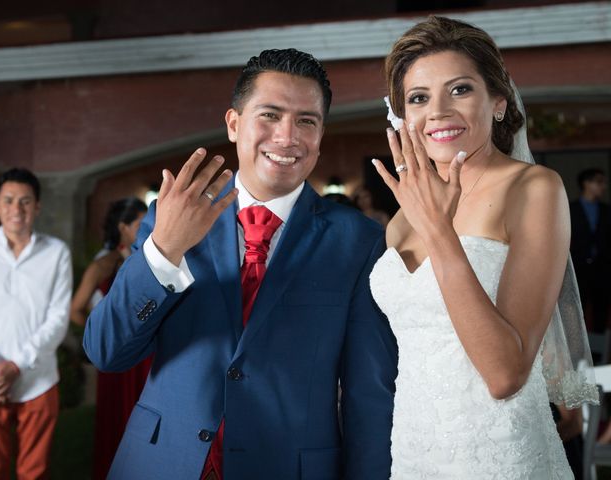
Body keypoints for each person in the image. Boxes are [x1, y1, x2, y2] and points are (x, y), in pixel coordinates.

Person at [83, 48, 398, 479]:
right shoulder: (168, 218)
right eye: (269, 115)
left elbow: (368, 395)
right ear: (234, 124)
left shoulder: (358, 241)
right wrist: (163, 252)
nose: (287, 136)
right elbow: (107, 351)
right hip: (161, 462)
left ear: (321, 134)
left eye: (307, 121)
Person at [370, 16, 596, 478]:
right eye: (418, 98)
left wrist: (439, 231)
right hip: (415, 451)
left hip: (500, 453)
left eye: (459, 90)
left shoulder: (533, 189)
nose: (437, 112)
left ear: (497, 102)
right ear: (402, 117)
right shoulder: (400, 216)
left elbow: (505, 374)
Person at [0, 167, 72, 479]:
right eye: (10, 200)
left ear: (37, 207)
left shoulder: (57, 253)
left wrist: (16, 365)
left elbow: (58, 318)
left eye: (26, 201)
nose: (17, 209)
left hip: (38, 379)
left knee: (35, 473)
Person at [70, 197, 148, 480]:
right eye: (140, 223)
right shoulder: (105, 264)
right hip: (118, 360)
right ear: (124, 228)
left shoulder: (151, 257)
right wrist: (99, 335)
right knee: (119, 419)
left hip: (148, 358)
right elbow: (76, 309)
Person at [570, 168, 611, 333]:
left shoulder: (606, 210)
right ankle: (579, 352)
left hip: (602, 268)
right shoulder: (571, 208)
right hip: (579, 267)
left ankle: (599, 352)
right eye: (599, 182)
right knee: (577, 309)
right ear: (587, 183)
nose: (604, 186)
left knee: (601, 310)